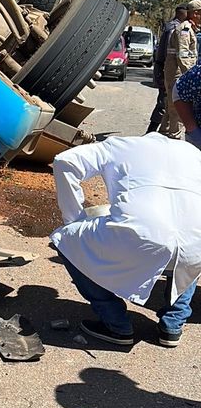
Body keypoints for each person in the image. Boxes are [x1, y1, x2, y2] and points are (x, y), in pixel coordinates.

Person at [51, 134, 201, 348]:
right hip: (195, 243)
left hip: (141, 238)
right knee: (191, 241)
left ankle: (116, 324)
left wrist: (74, 220)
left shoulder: (118, 146)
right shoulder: (192, 152)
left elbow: (65, 161)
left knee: (65, 239)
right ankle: (173, 325)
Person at [158, 0, 201, 137]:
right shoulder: (184, 30)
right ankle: (174, 137)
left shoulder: (191, 28)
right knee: (178, 108)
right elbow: (182, 55)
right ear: (195, 13)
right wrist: (191, 77)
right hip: (178, 72)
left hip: (179, 71)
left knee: (170, 106)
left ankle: (163, 134)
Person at [145, 5, 187, 132]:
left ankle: (158, 131)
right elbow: (171, 53)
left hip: (164, 68)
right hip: (166, 70)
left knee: (166, 103)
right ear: (182, 14)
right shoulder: (175, 29)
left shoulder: (172, 26)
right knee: (164, 103)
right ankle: (150, 132)